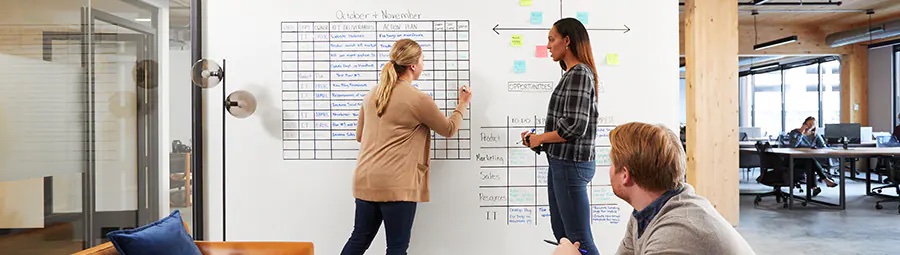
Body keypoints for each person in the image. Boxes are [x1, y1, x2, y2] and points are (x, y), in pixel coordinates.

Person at [340, 38, 472, 255]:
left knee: (358, 239)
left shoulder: (373, 94)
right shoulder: (418, 99)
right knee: (397, 248)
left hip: (365, 179)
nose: (423, 65)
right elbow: (448, 129)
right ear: (412, 65)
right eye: (422, 60)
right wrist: (462, 103)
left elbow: (360, 136)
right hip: (397, 184)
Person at [572, 122, 753, 255]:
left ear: (625, 175)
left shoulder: (677, 233)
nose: (609, 169)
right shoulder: (646, 213)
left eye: (612, 164)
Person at [521, 17, 600, 255]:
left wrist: (541, 139)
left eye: (551, 39)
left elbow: (575, 126)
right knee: (565, 237)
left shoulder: (579, 74)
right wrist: (537, 142)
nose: (547, 45)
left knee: (578, 241)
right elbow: (569, 126)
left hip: (570, 166)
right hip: (562, 164)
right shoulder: (571, 74)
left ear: (567, 41)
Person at [787, 116, 838, 196]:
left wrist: (816, 148)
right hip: (795, 159)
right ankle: (825, 179)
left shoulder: (815, 135)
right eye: (809, 123)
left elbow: (823, 147)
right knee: (810, 161)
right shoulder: (795, 133)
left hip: (808, 159)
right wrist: (801, 132)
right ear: (804, 124)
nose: (811, 126)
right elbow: (793, 145)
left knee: (809, 162)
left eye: (813, 124)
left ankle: (814, 188)